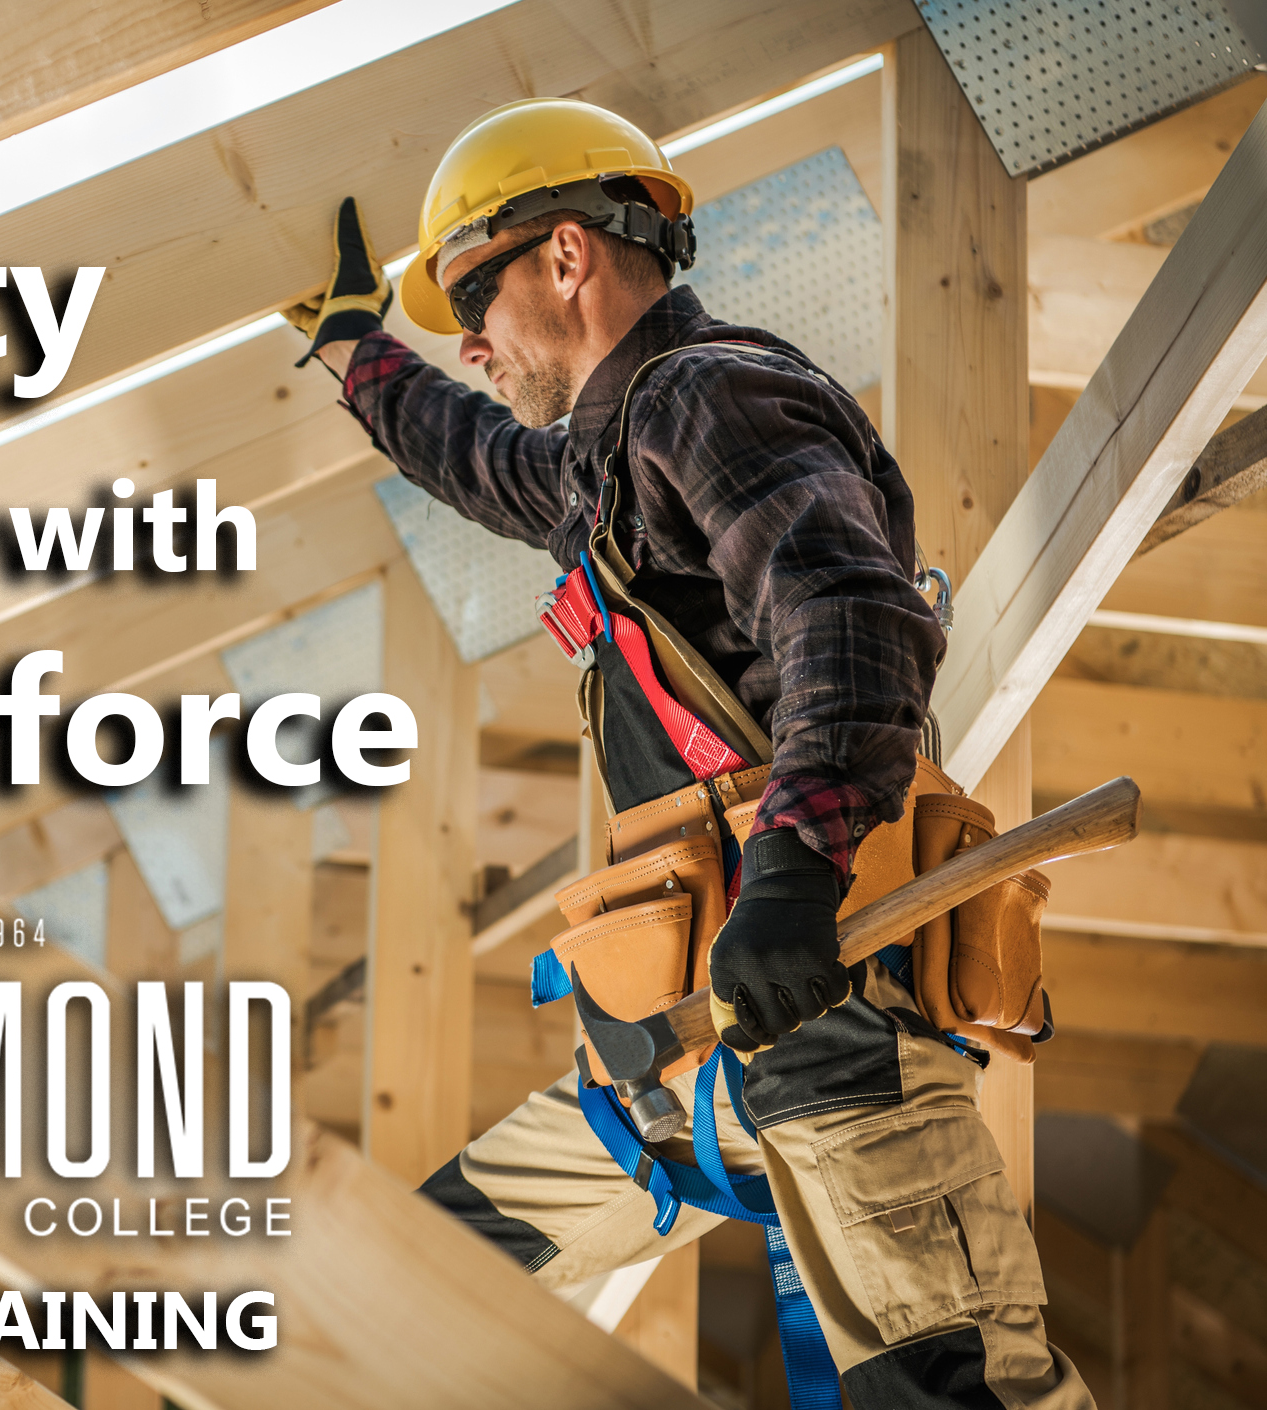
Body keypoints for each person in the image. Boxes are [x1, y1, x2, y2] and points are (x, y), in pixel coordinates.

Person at [289, 98, 1088, 1410]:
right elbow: (478, 459)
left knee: (954, 1395)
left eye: (472, 298)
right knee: (392, 1281)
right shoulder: (604, 461)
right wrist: (349, 351)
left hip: (829, 1030)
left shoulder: (709, 397)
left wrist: (789, 879)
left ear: (563, 255)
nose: (473, 344)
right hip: (683, 1070)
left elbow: (844, 613)